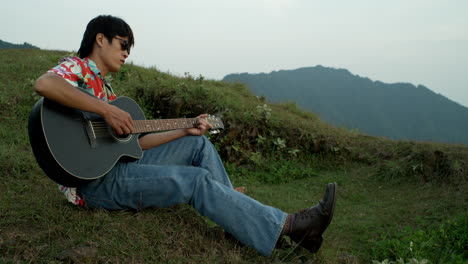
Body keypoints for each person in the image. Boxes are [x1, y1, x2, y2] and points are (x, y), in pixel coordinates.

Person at [33, 15, 337, 257]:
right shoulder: (78, 69)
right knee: (194, 179)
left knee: (196, 143)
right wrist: (106, 111)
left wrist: (183, 129)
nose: (126, 53)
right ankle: (291, 226)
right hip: (93, 184)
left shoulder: (108, 92)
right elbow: (45, 84)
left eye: (129, 48)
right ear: (101, 39)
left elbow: (134, 147)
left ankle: (239, 222)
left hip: (117, 168)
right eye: (123, 44)